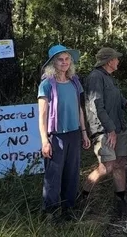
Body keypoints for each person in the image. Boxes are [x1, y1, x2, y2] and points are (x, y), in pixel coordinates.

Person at [80, 47, 127, 217]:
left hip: (119, 127)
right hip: (104, 130)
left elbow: (117, 98)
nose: (118, 61)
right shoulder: (95, 77)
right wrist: (110, 129)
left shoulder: (109, 78)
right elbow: (97, 106)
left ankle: (121, 202)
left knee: (120, 163)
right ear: (109, 61)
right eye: (116, 59)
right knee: (107, 166)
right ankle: (84, 196)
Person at [38, 45, 91, 220]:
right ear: (53, 62)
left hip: (74, 133)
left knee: (72, 172)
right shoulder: (46, 85)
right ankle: (51, 212)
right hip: (56, 136)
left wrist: (84, 132)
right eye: (60, 59)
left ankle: (69, 208)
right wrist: (45, 140)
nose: (64, 63)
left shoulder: (75, 82)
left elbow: (79, 109)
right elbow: (42, 115)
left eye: (67, 59)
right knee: (53, 175)